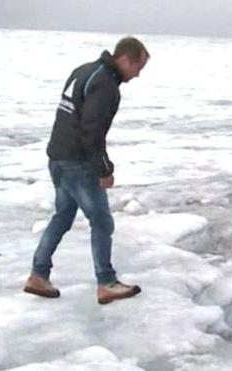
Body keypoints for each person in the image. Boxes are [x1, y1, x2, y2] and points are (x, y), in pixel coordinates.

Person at [23, 36, 149, 305]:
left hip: (58, 157)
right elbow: (92, 132)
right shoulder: (105, 85)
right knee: (102, 221)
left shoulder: (84, 71)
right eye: (138, 67)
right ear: (125, 59)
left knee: (63, 216)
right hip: (77, 163)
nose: (137, 75)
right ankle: (106, 282)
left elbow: (69, 117)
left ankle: (38, 275)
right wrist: (104, 169)